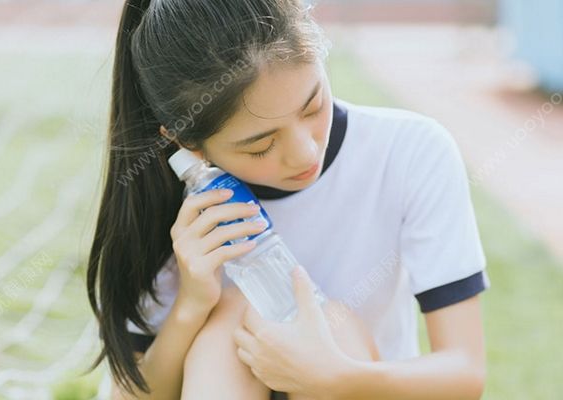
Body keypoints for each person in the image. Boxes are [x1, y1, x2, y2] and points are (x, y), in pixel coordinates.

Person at [86, 0, 490, 399]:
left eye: (313, 106)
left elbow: (464, 371)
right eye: (260, 146)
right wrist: (193, 304)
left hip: (360, 381)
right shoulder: (170, 206)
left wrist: (337, 377)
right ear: (187, 144)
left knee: (326, 326)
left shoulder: (408, 151)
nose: (305, 154)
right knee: (233, 319)